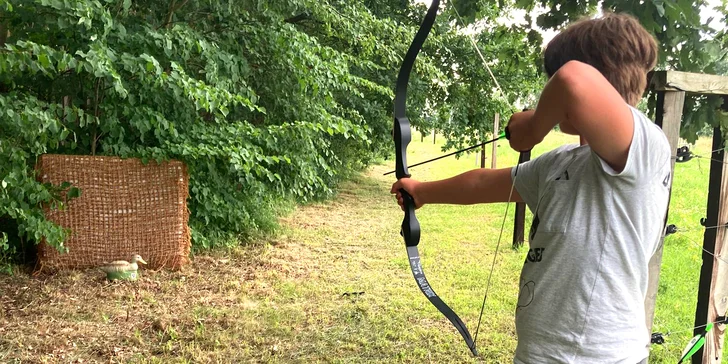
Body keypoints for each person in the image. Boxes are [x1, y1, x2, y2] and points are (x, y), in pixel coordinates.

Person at [390, 12, 670, 364]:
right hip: (539, 352)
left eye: (550, 83)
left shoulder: (645, 148)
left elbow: (573, 80)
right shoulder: (561, 162)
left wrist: (534, 127)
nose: (550, 91)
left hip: (603, 356)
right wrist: (424, 191)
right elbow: (483, 183)